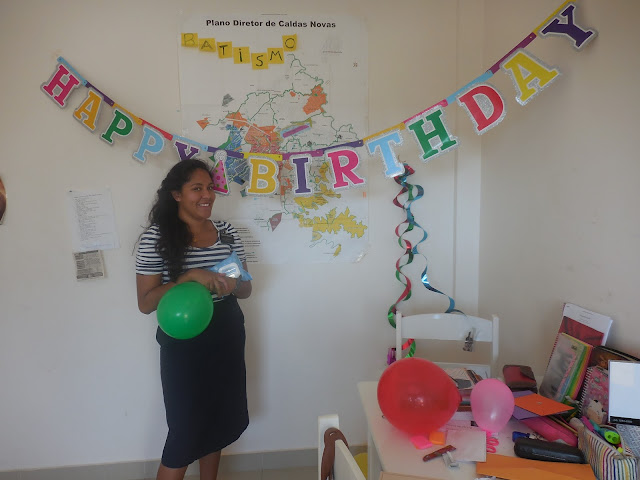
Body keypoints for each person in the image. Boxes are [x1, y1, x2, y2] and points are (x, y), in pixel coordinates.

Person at [135, 159, 252, 480]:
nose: (207, 195)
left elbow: (246, 289)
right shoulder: (156, 239)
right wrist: (188, 278)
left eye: (210, 188)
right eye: (196, 188)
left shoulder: (227, 233)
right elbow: (146, 303)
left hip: (227, 333)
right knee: (185, 430)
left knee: (218, 422)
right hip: (183, 342)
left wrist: (232, 285)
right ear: (176, 194)